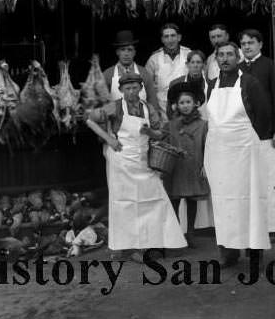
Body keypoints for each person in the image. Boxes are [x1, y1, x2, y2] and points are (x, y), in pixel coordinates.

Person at [85, 72, 187, 262]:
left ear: (141, 88)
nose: (131, 91)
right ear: (121, 90)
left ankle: (152, 242)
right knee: (123, 203)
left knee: (155, 198)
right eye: (127, 88)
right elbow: (90, 119)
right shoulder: (115, 107)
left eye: (135, 88)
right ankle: (126, 247)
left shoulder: (148, 108)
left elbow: (159, 134)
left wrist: (149, 131)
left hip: (142, 160)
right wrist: (109, 140)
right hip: (121, 159)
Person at [204, 42, 273, 267]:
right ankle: (229, 251)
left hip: (245, 154)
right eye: (221, 55)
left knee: (250, 201)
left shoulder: (250, 83)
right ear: (216, 59)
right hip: (219, 155)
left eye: (230, 55)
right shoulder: (211, 86)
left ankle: (254, 253)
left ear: (238, 57)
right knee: (224, 204)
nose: (225, 59)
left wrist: (251, 141)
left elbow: (263, 115)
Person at [238, 29, 275, 238]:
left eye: (251, 42)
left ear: (260, 44)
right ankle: (254, 227)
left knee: (272, 181)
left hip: (269, 134)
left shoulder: (270, 66)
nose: (247, 47)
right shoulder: (238, 68)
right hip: (245, 134)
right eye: (243, 44)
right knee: (251, 183)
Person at [162, 85, 209, 248]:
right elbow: (163, 143)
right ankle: (176, 234)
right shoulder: (171, 125)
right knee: (174, 200)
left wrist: (206, 164)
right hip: (176, 168)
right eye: (182, 102)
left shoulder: (203, 125)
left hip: (194, 166)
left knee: (192, 199)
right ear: (177, 105)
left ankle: (191, 233)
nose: (185, 105)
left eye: (188, 102)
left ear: (195, 103)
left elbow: (207, 147)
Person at [102, 30, 160, 113]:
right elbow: (101, 102)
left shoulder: (144, 73)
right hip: (117, 122)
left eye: (129, 50)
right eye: (123, 50)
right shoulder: (108, 74)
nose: (126, 54)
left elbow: (152, 100)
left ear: (134, 52)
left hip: (142, 122)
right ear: (117, 52)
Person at [145, 23, 191, 119]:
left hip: (187, 107)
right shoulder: (154, 59)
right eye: (166, 36)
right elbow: (147, 86)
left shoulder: (189, 54)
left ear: (179, 37)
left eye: (173, 35)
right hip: (162, 110)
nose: (170, 40)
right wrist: (154, 109)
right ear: (162, 39)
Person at [167, 50, 211, 119]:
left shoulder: (211, 84)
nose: (195, 65)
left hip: (205, 125)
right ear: (187, 64)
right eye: (192, 62)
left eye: (198, 62)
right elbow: (170, 111)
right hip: (182, 126)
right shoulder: (176, 84)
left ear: (204, 65)